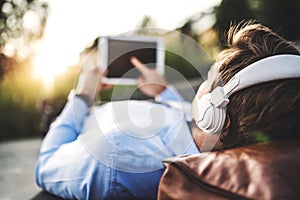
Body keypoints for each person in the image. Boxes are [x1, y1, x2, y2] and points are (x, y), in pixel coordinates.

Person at [35, 23, 300, 199]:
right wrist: (163, 91)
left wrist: (83, 94)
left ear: (215, 115)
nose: (205, 86)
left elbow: (46, 163)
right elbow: (189, 119)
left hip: (75, 124)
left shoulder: (115, 156)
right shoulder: (215, 135)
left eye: (209, 80)